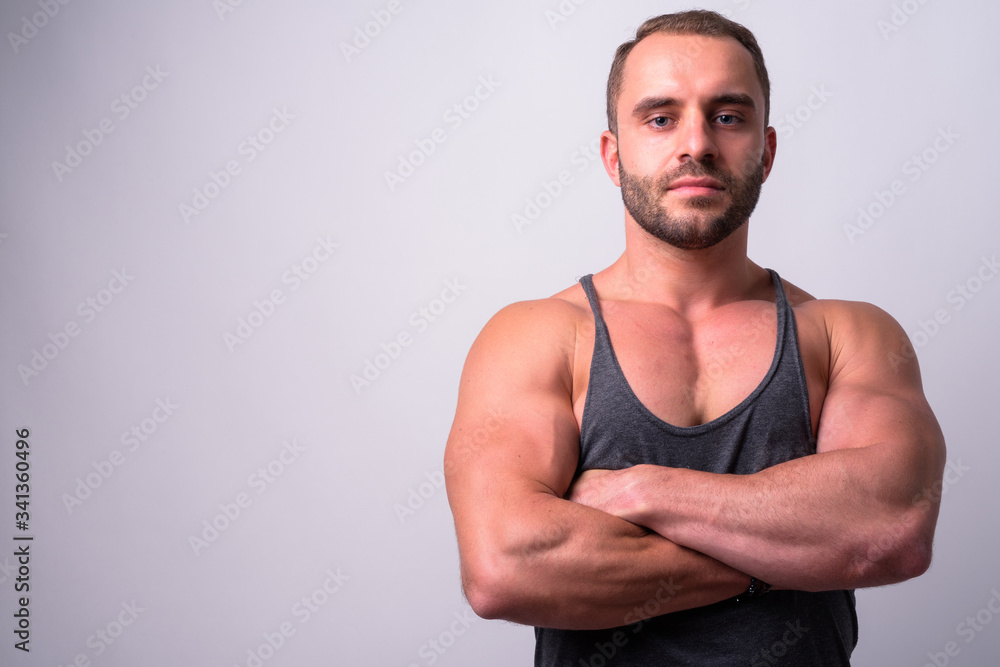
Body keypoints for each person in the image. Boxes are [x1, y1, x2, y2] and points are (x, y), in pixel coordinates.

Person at [443, 9, 946, 665]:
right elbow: (505, 568)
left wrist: (644, 492)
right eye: (661, 118)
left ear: (765, 152)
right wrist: (793, 551)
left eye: (728, 116)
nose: (697, 144)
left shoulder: (850, 335)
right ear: (612, 153)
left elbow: (892, 529)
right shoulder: (535, 337)